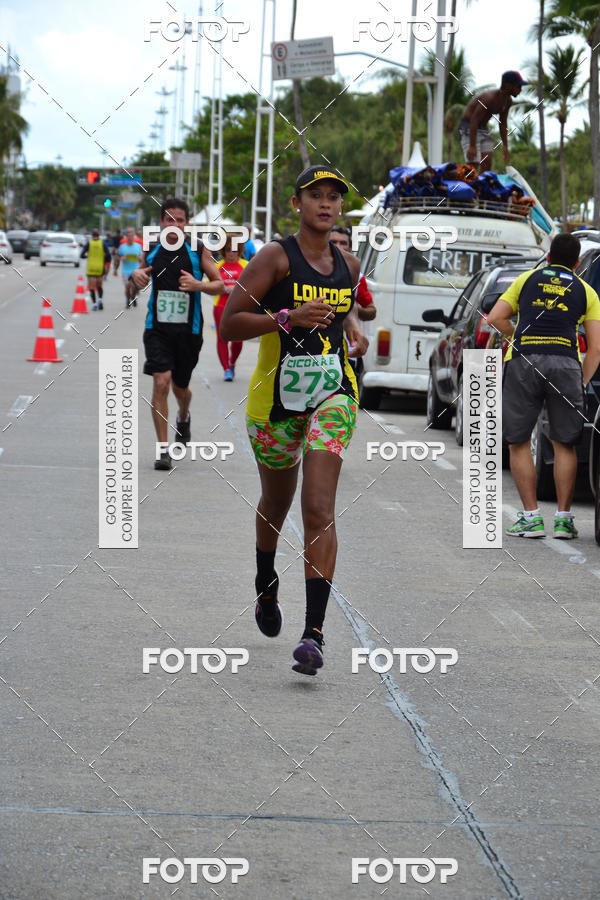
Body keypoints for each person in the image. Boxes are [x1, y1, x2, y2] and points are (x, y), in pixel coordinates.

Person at [220, 166, 369, 676]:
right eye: (315, 196)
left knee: (318, 504)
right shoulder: (274, 258)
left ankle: (314, 634)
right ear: (296, 203)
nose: (325, 204)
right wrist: (285, 318)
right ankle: (265, 585)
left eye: (333, 197)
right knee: (276, 504)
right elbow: (231, 322)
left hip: (332, 393)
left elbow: (344, 308)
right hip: (274, 403)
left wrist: (352, 330)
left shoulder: (348, 263)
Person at [486, 233, 600, 539]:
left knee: (519, 440)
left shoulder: (526, 279)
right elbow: (597, 348)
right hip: (566, 364)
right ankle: (563, 520)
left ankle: (531, 517)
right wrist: (582, 380)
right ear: (576, 263)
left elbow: (495, 318)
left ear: (547, 258)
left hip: (524, 361)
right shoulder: (587, 291)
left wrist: (517, 335)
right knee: (565, 443)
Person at [130, 198, 224, 470]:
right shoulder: (151, 248)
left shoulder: (198, 249)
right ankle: (162, 450)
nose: (174, 225)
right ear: (161, 222)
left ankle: (183, 416)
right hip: (157, 330)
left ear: (187, 224)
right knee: (161, 382)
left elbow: (219, 285)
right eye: (169, 220)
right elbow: (139, 279)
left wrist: (198, 285)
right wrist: (135, 277)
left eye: (180, 220)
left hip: (189, 333)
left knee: (180, 388)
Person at [458, 71, 528, 173]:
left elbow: (503, 123)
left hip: (483, 128)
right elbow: (474, 119)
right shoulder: (489, 98)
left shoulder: (508, 101)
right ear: (507, 86)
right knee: (473, 163)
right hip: (469, 126)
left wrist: (505, 146)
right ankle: (466, 185)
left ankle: (481, 187)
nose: (520, 90)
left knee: (487, 163)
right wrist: (472, 146)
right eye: (518, 86)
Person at [214, 237, 248, 381]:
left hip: (239, 307)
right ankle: (226, 369)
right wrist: (221, 287)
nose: (231, 253)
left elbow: (252, 286)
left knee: (238, 339)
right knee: (222, 338)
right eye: (228, 250)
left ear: (239, 250)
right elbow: (211, 284)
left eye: (234, 250)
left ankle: (232, 362)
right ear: (223, 251)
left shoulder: (247, 265)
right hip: (220, 306)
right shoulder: (217, 266)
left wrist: (236, 289)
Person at [80, 229, 111, 310]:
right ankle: (100, 300)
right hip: (100, 267)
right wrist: (104, 259)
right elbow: (108, 255)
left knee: (92, 287)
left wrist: (88, 256)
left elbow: (82, 255)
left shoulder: (89, 244)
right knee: (99, 286)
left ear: (92, 235)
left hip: (91, 268)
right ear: (99, 235)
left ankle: (94, 304)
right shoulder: (103, 244)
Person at [118, 227, 143, 308]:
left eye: (132, 236)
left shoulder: (138, 246)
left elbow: (141, 258)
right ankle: (127, 301)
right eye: (128, 236)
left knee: (135, 287)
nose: (130, 238)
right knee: (128, 287)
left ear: (133, 237)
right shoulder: (122, 247)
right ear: (126, 237)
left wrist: (139, 259)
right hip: (126, 271)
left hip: (135, 270)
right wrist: (122, 258)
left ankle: (133, 297)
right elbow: (118, 257)